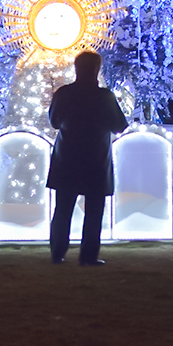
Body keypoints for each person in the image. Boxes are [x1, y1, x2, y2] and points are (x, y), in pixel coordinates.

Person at [47, 50, 127, 266]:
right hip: (96, 158)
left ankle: (57, 252)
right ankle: (88, 255)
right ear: (97, 70)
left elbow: (54, 122)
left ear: (76, 68)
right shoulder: (104, 97)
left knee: (62, 208)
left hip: (67, 156)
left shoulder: (63, 94)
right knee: (94, 211)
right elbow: (119, 126)